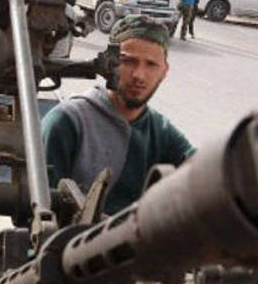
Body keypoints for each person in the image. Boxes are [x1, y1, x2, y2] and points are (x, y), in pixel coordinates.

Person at [42, 15, 195, 215]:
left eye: (151, 64)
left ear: (164, 71)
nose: (139, 75)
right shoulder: (67, 122)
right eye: (129, 61)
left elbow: (203, 172)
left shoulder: (162, 133)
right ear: (109, 62)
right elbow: (41, 215)